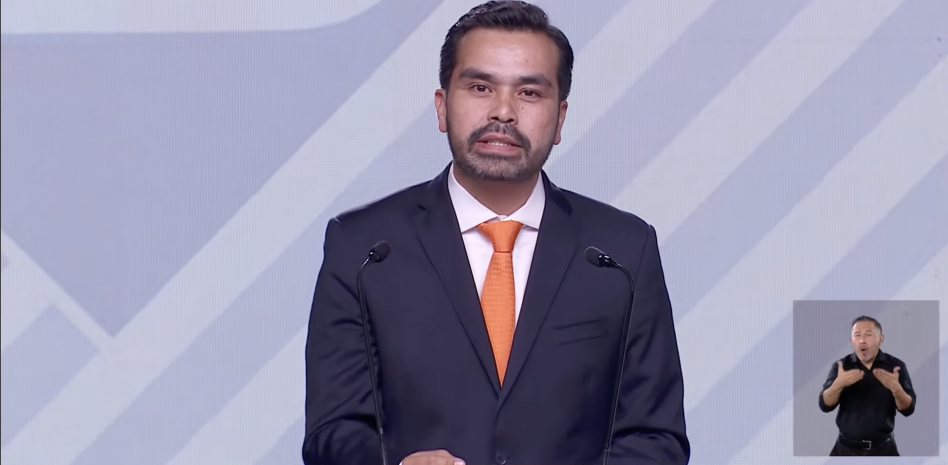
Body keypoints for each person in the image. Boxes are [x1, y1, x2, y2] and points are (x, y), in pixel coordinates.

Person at [302, 2, 690, 464]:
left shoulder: (621, 252)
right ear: (442, 106)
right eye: (480, 87)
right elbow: (331, 431)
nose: (503, 112)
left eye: (529, 93)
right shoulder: (365, 249)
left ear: (560, 119)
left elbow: (656, 438)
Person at [818, 315, 917, 456]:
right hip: (845, 450)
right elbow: (824, 406)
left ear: (880, 339)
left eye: (868, 335)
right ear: (852, 341)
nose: (862, 340)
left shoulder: (895, 366)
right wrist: (838, 384)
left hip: (884, 449)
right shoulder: (841, 366)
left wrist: (896, 389)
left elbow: (908, 409)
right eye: (857, 335)